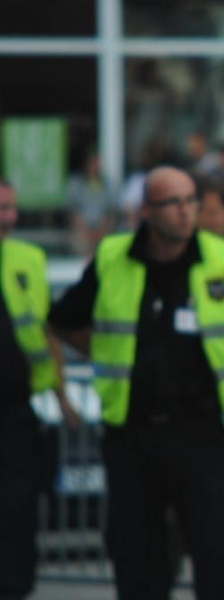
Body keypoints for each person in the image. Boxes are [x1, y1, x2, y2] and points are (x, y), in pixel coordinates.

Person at [48, 165, 224, 600]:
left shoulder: (222, 259)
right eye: (172, 203)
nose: (185, 212)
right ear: (145, 211)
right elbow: (63, 321)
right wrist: (107, 353)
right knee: (136, 559)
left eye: (191, 201)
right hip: (131, 433)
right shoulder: (112, 257)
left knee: (217, 555)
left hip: (200, 430)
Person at [0, 179, 79, 600]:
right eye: (0, 208)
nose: (7, 217)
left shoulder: (28, 258)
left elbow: (48, 330)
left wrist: (62, 395)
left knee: (18, 506)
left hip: (16, 407)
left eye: (10, 207)